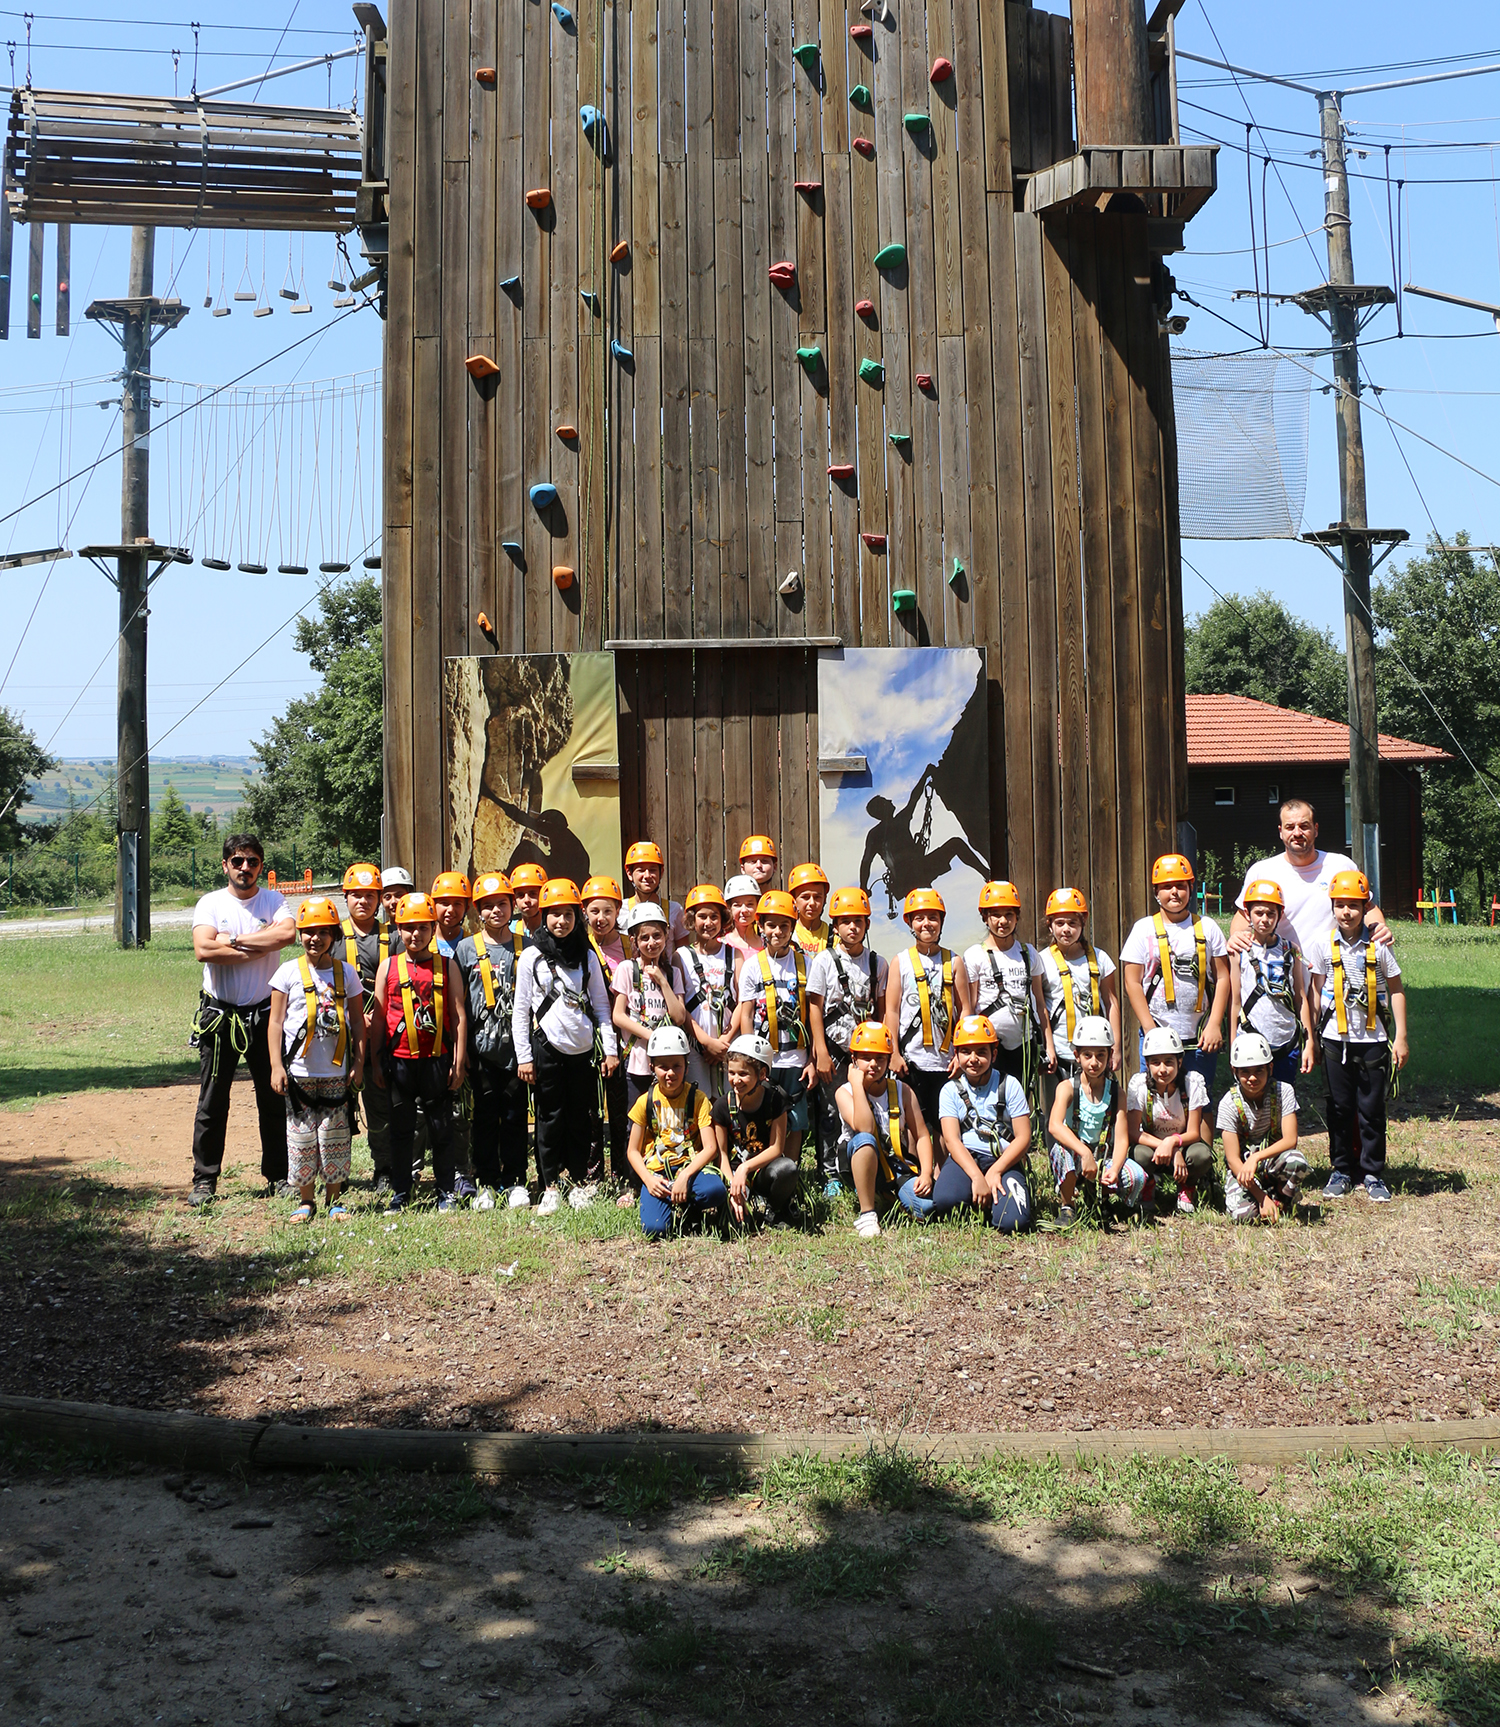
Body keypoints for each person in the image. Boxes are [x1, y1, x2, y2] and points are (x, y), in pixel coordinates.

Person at [188, 833, 298, 1206]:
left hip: (266, 1016)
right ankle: (204, 1180)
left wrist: (232, 941)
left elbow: (286, 934)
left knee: (273, 1096)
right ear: (225, 865)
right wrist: (257, 942)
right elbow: (204, 949)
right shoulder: (210, 903)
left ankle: (279, 1176)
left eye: (252, 861)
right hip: (220, 1017)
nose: (245, 868)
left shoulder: (273, 900)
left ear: (260, 866)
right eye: (237, 861)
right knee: (213, 1100)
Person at [513, 877, 620, 1216]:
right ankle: (549, 1185)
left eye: (568, 915)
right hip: (547, 1048)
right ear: (544, 916)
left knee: (580, 1119)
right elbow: (521, 1009)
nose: (561, 922)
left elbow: (602, 1007)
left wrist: (611, 1050)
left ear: (578, 917)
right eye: (554, 914)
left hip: (583, 1050)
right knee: (549, 1117)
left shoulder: (587, 956)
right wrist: (524, 1057)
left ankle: (577, 1181)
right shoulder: (531, 956)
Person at [1305, 868, 1408, 1205]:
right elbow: (1315, 992)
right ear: (1332, 907)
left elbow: (1396, 990)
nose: (1346, 912)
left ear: (1366, 908)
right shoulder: (1322, 944)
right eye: (1340, 905)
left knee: (1371, 1108)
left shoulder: (1379, 947)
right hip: (1335, 1039)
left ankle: (1372, 1172)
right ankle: (1341, 1169)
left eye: (1353, 905)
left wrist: (1402, 1037)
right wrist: (1312, 1038)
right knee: (1338, 1106)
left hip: (1373, 1039)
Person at [367, 892, 469, 1213]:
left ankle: (445, 1190)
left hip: (436, 1061)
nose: (416, 934)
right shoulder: (389, 966)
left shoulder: (446, 965)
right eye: (409, 928)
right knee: (402, 1130)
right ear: (398, 930)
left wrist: (459, 1061)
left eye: (423, 928)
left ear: (432, 928)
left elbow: (459, 1015)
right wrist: (375, 1061)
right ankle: (401, 1191)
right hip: (399, 1062)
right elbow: (380, 1017)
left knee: (441, 1127)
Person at [268, 898, 365, 1224]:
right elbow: (276, 1023)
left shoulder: (346, 974)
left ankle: (335, 1199)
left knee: (334, 1135)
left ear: (335, 936)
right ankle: (306, 1200)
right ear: (299, 934)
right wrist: (276, 1066)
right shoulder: (286, 973)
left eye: (324, 932)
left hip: (335, 1071)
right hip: (299, 1073)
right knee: (302, 1137)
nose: (316, 938)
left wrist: (359, 1063)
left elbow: (358, 1023)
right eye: (309, 931)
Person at [1120, 855, 1230, 1136]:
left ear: (1191, 888)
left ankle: (1201, 1161)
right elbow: (1132, 981)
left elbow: (1222, 977)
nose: (1174, 893)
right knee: (1156, 1097)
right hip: (1157, 1030)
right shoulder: (1143, 929)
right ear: (1156, 892)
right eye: (1166, 887)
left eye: (1181, 886)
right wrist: (1148, 1027)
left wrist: (1215, 1023)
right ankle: (1156, 1159)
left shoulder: (1207, 928)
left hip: (1199, 1035)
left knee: (1200, 1097)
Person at [1226, 798, 1394, 958]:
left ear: (1316, 829)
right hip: (1283, 975)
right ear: (1281, 831)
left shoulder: (1341, 866)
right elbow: (1243, 915)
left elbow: (1368, 908)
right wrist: (1237, 936)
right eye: (1290, 827)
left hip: (1333, 976)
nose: (1297, 833)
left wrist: (1379, 927)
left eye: (1304, 826)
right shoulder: (1262, 871)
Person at [454, 872, 529, 1211]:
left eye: (502, 904)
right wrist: (464, 1051)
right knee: (484, 1117)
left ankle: (515, 1179)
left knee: (514, 1115)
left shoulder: (526, 947)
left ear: (513, 907)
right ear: (478, 911)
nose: (496, 911)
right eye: (489, 906)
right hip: (482, 1049)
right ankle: (485, 1180)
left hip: (518, 1050)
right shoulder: (466, 950)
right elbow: (460, 1005)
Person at [807, 886, 888, 1197]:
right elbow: (815, 1007)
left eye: (859, 921)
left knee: (868, 1109)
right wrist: (821, 1052)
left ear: (867, 924)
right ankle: (830, 1173)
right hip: (835, 1050)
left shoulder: (876, 963)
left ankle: (867, 1166)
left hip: (867, 1054)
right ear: (836, 925)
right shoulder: (824, 961)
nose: (853, 927)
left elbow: (880, 1008)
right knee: (830, 1113)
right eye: (846, 921)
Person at [731, 890, 815, 1167]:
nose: (777, 931)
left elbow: (812, 1016)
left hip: (795, 1059)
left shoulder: (806, 965)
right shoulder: (753, 966)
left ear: (793, 927)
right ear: (761, 926)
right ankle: (763, 1171)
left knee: (796, 1118)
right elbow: (746, 1014)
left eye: (784, 925)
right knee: (763, 1114)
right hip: (763, 1060)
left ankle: (789, 1173)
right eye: (771, 924)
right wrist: (749, 1061)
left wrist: (812, 1060)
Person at [929, 1015, 1034, 1233]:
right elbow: (951, 1140)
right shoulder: (950, 1091)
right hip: (966, 1158)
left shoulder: (1010, 1085)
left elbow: (1023, 1137)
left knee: (1014, 1223)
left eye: (981, 1052)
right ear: (956, 1055)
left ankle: (994, 1203)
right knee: (946, 1202)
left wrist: (995, 1171)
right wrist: (977, 1176)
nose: (973, 1059)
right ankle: (979, 1197)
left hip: (1003, 1160)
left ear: (994, 1054)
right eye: (966, 1052)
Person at [884, 887, 974, 1136]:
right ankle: (919, 1174)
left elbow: (964, 1009)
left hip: (946, 1062)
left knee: (946, 1126)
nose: (926, 924)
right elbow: (891, 1011)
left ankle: (943, 1173)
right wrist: (893, 1054)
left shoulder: (954, 961)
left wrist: (961, 1053)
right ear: (909, 922)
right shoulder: (900, 962)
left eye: (933, 917)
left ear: (941, 921)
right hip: (911, 1061)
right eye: (919, 918)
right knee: (914, 1125)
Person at [835, 1021, 935, 1238]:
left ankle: (887, 1195)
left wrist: (926, 1173)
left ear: (889, 1060)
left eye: (880, 1058)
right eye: (866, 1058)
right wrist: (856, 1085)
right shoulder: (844, 1092)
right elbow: (865, 1128)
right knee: (864, 1139)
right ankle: (867, 1213)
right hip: (860, 1160)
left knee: (925, 1209)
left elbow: (922, 1135)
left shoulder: (903, 1090)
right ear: (854, 1060)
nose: (873, 1064)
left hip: (894, 1164)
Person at [338, 862, 403, 1194]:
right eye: (356, 895)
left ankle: (384, 1167)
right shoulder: (331, 936)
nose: (362, 902)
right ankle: (337, 1170)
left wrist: (376, 1019)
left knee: (379, 1105)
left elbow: (403, 984)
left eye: (369, 896)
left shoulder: (393, 937)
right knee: (337, 1105)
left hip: (381, 1036)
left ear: (379, 899)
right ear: (345, 897)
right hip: (337, 1036)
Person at [627, 1026, 726, 1239]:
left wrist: (686, 1175)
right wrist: (648, 1180)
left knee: (715, 1191)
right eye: (663, 1067)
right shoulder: (645, 1102)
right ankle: (668, 1208)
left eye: (676, 1066)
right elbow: (633, 1151)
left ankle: (691, 1210)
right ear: (652, 1067)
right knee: (655, 1230)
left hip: (690, 1168)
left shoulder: (698, 1099)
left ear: (686, 1067)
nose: (670, 1073)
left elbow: (710, 1148)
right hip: (658, 1172)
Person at [1108, 1025, 1212, 1217]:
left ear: (1180, 1062)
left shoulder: (1192, 1083)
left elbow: (1194, 1133)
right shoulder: (1140, 1086)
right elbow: (1133, 1132)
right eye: (1156, 1063)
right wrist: (1166, 1148)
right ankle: (1148, 1184)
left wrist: (1173, 1144)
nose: (1162, 1069)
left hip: (1184, 1145)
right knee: (1138, 1154)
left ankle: (1187, 1186)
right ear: (1147, 1065)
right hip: (1152, 1146)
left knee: (1202, 1155)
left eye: (1168, 1062)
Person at [857, 767, 989, 917]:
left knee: (923, 905)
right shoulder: (898, 821)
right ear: (882, 808)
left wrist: (864, 888)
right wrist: (926, 774)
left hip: (907, 878)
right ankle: (986, 873)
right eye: (885, 801)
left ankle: (986, 873)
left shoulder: (875, 834)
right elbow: (914, 797)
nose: (890, 800)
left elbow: (866, 862)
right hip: (919, 870)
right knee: (956, 845)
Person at [964, 880, 1053, 1091]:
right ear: (985, 917)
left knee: (1022, 1105)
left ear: (1017, 917)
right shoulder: (975, 955)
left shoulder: (1028, 953)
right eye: (996, 914)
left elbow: (1040, 1004)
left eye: (1009, 914)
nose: (1002, 921)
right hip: (988, 1046)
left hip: (1025, 1045)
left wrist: (1049, 1046)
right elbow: (970, 1006)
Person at [1217, 1030, 1310, 1223]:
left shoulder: (1284, 1092)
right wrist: (1260, 1197)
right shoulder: (1228, 1103)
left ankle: (1282, 1199)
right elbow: (1233, 1159)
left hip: (1270, 1160)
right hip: (1242, 1168)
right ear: (1235, 1071)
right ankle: (1264, 1198)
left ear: (1270, 1068)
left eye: (1259, 1070)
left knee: (1297, 1161)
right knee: (1244, 1216)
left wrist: (1257, 1157)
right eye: (1245, 1072)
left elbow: (1290, 1140)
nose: (1252, 1078)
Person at [1230, 877, 1314, 1086]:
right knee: (1253, 1102)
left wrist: (1309, 1040)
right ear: (1248, 914)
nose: (1264, 919)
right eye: (1259, 913)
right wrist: (1233, 1044)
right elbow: (1235, 1002)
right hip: (1250, 1039)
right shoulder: (1239, 951)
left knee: (1284, 1099)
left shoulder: (1291, 950)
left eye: (1271, 913)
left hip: (1285, 1040)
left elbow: (1300, 996)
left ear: (1279, 916)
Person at [1046, 1015, 1126, 1225]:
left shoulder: (1117, 1092)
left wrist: (1115, 1169)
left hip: (1103, 1154)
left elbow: (1122, 1137)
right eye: (1087, 1055)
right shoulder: (1066, 1088)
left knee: (1134, 1176)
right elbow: (1054, 1125)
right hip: (1076, 1152)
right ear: (1077, 1056)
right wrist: (1084, 1152)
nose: (1094, 1062)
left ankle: (1103, 1199)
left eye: (1101, 1055)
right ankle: (1067, 1206)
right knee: (1062, 1154)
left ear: (1110, 1055)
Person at [714, 1033, 799, 1227]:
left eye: (744, 1074)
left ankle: (772, 1208)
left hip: (761, 1171)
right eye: (731, 1073)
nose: (736, 1080)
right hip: (733, 1174)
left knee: (787, 1168)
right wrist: (732, 1186)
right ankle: (746, 1204)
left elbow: (776, 1148)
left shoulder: (775, 1101)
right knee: (738, 1227)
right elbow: (722, 1154)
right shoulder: (722, 1106)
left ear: (762, 1074)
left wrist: (745, 1168)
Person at [611, 902, 692, 1107]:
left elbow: (679, 1016)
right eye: (644, 938)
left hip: (667, 1063)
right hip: (638, 1060)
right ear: (634, 941)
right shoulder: (627, 969)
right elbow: (618, 1015)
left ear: (666, 936)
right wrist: (651, 1036)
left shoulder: (673, 973)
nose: (651, 942)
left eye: (657, 936)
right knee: (637, 1119)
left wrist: (663, 982)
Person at [582, 873, 633, 1200]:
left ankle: (623, 1171)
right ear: (584, 911)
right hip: (590, 1037)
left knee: (621, 1107)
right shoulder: (579, 944)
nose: (601, 918)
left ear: (618, 912)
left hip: (626, 1037)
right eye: (594, 911)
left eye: (607, 911)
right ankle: (592, 1173)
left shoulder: (629, 944)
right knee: (589, 1108)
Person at [1037, 888, 1119, 1083]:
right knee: (1058, 1109)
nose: (1066, 929)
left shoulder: (1101, 959)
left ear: (1083, 923)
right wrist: (1048, 1048)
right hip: (1059, 1051)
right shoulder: (1041, 961)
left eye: (1072, 923)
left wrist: (1115, 1047)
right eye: (1059, 923)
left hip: (1096, 1055)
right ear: (1050, 925)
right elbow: (1041, 1008)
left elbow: (1112, 1003)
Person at [678, 884, 739, 1101]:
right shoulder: (681, 956)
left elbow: (741, 1002)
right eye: (702, 916)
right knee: (699, 1102)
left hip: (727, 1044)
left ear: (723, 919)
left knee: (730, 1102)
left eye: (714, 916)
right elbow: (681, 1005)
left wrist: (723, 1042)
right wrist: (706, 1042)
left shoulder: (734, 955)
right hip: (696, 1045)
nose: (708, 923)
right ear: (692, 920)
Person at [493, 795, 592, 887]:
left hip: (565, 881)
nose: (542, 836)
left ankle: (506, 880)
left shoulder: (560, 835)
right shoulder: (567, 838)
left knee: (527, 847)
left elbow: (523, 818)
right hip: (564, 878)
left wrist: (493, 797)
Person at [622, 841, 690, 954]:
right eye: (641, 870)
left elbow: (685, 955)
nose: (647, 875)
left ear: (661, 872)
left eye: (652, 870)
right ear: (629, 873)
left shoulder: (674, 910)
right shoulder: (620, 911)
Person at [788, 863, 831, 955]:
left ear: (825, 898)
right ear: (794, 899)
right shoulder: (787, 934)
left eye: (817, 897)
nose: (812, 903)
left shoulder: (833, 937)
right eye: (805, 897)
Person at [722, 873, 765, 963]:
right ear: (729, 908)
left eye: (750, 904)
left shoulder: (767, 945)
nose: (744, 910)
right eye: (737, 905)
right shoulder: (722, 945)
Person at [509, 863, 548, 944]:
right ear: (514, 900)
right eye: (520, 895)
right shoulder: (508, 931)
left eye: (532, 894)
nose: (527, 900)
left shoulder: (554, 929)